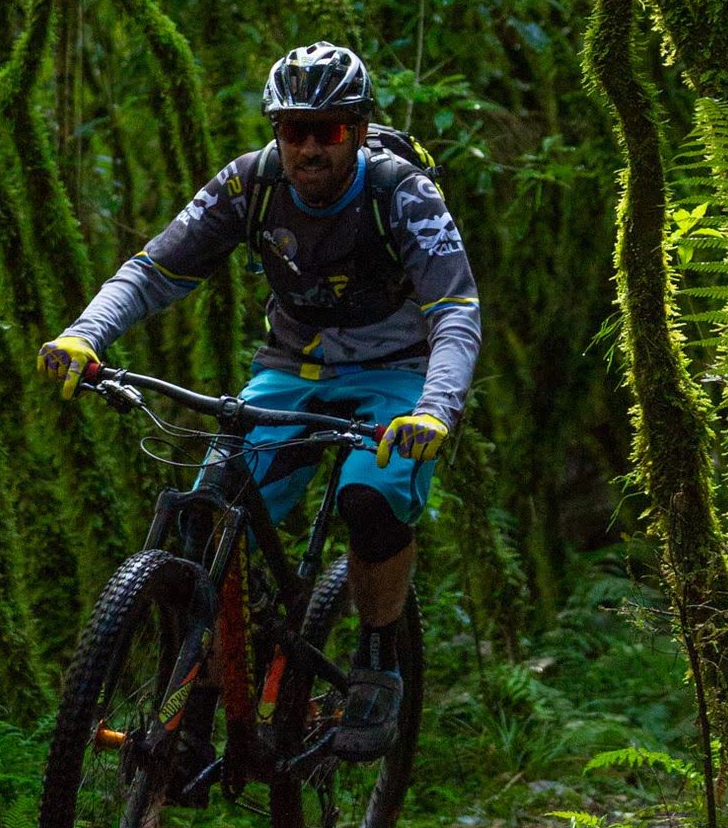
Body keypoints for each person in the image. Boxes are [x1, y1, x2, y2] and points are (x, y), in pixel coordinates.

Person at [38, 41, 481, 766]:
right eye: (293, 129)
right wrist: (86, 335)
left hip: (394, 376)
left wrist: (436, 406)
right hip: (288, 370)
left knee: (370, 501)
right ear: (277, 131)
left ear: (360, 130)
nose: (310, 146)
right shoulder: (250, 186)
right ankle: (192, 706)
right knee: (208, 520)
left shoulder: (401, 193)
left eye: (330, 130)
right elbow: (153, 270)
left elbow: (455, 309)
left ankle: (377, 658)